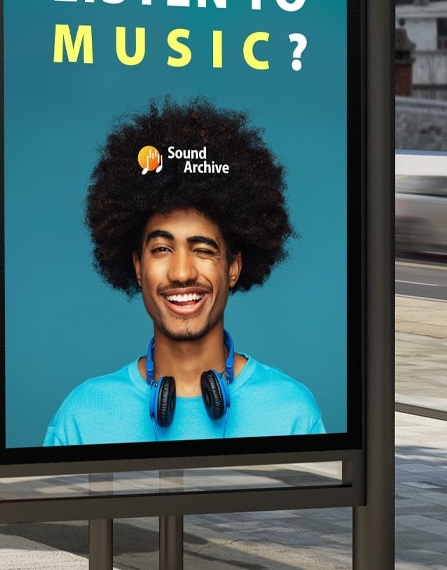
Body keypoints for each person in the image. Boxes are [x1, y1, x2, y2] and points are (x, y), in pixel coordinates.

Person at [43, 96, 326, 445]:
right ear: (138, 267)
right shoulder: (82, 417)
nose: (181, 273)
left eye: (203, 249)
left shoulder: (292, 414)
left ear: (233, 266)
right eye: (161, 249)